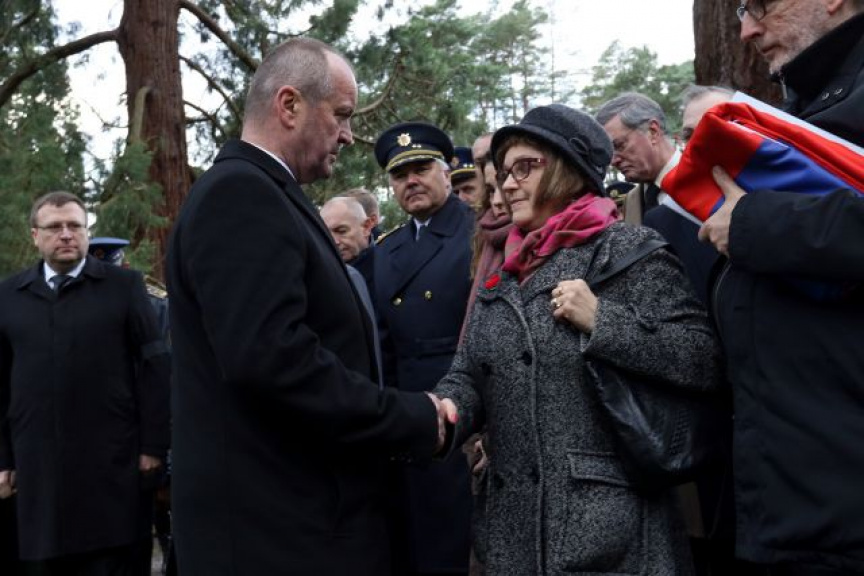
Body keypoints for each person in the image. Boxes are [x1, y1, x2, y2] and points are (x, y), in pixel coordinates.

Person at [166, 38, 450, 576]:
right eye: (341, 114)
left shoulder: (268, 193)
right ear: (290, 105)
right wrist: (409, 418)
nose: (348, 134)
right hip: (276, 532)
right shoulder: (241, 194)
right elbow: (274, 361)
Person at [432, 103, 721, 576]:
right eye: (503, 173)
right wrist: (444, 410)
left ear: (568, 170)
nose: (506, 185)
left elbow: (701, 357)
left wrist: (602, 320)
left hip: (614, 532)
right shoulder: (505, 270)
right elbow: (469, 371)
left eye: (524, 167)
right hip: (511, 535)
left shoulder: (626, 250)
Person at [698, 2, 864, 574]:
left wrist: (753, 225)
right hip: (791, 503)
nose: (746, 30)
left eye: (760, 5)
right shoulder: (805, 105)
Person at [0, 191, 170, 576]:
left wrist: (153, 446)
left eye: (75, 226)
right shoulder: (8, 296)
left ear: (86, 232)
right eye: (54, 227)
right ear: (35, 235)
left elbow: (155, 367)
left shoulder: (124, 287)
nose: (66, 234)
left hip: (111, 464)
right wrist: (3, 457)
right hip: (36, 468)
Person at [373, 121, 475, 576]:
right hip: (405, 414)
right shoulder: (387, 249)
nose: (410, 181)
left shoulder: (478, 232)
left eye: (420, 169)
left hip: (462, 414)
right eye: (400, 175)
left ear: (446, 172)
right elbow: (383, 342)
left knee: (454, 542)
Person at [597, 92, 720, 304]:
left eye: (619, 145)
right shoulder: (631, 201)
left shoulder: (708, 179)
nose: (614, 161)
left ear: (653, 131)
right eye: (609, 153)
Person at [320, 196, 375, 289]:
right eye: (326, 235)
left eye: (341, 231)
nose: (334, 242)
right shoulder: (321, 274)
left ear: (366, 227)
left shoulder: (387, 267)